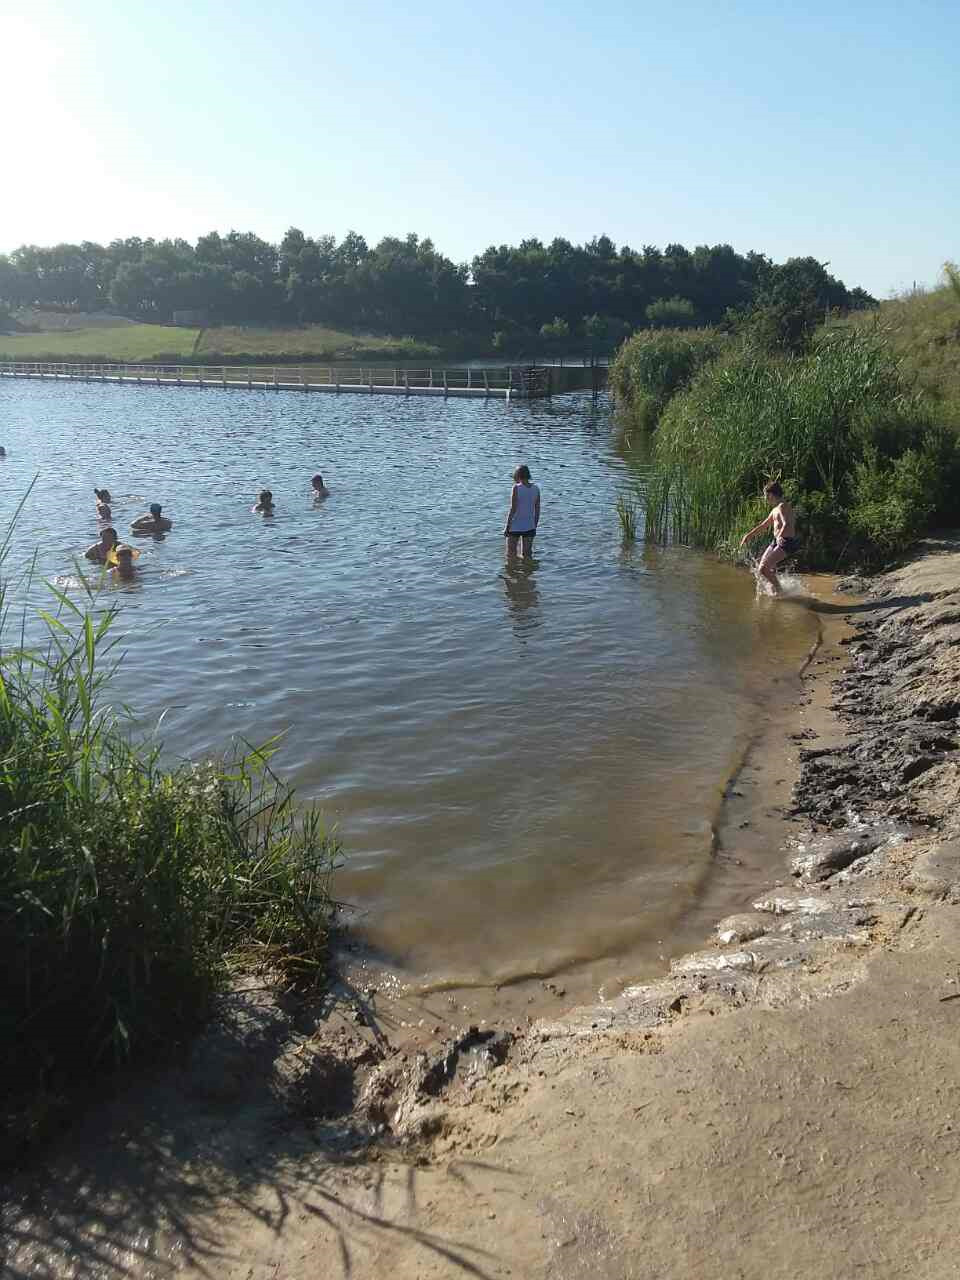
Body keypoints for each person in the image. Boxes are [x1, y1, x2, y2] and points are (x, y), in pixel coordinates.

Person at [739, 481, 798, 596]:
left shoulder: (782, 506)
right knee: (762, 567)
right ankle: (775, 589)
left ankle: (781, 591)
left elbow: (787, 524)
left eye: (766, 495)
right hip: (776, 541)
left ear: (771, 494)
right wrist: (748, 536)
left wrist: (780, 535)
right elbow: (763, 526)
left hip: (785, 542)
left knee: (763, 569)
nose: (765, 498)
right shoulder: (775, 509)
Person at [503, 464, 540, 558]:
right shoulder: (536, 488)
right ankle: (527, 572)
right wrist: (534, 525)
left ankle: (513, 571)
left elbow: (513, 508)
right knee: (527, 554)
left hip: (515, 525)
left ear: (517, 475)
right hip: (529, 526)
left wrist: (507, 527)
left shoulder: (516, 488)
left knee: (510, 554)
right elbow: (537, 509)